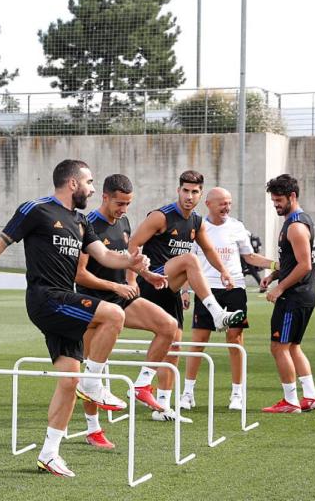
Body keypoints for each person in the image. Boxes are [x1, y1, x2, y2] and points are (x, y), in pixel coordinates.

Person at [0, 159, 151, 478]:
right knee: (113, 314)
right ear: (72, 183)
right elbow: (0, 243)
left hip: (66, 300)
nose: (91, 188)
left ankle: (49, 454)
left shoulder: (80, 221)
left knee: (68, 380)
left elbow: (104, 256)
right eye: (89, 182)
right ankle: (94, 382)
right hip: (46, 298)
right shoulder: (35, 209)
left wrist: (133, 262)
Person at [127, 170, 244, 423]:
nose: (189, 196)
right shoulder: (161, 216)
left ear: (201, 195)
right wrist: (136, 277)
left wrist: (223, 271)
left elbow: (210, 250)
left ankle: (162, 406)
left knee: (174, 345)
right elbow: (132, 245)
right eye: (185, 191)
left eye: (194, 192)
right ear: (178, 190)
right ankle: (217, 313)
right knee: (190, 259)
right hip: (151, 282)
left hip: (169, 288)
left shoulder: (197, 222)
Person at [74, 174, 175, 450]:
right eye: (120, 203)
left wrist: (147, 275)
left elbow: (128, 259)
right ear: (104, 197)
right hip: (93, 304)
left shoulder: (125, 222)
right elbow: (80, 275)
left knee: (169, 326)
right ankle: (93, 430)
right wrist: (115, 288)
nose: (124, 209)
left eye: (128, 204)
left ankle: (142, 385)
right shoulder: (87, 225)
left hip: (122, 298)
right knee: (93, 372)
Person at [179, 187, 275, 412]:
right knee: (198, 341)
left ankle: (237, 393)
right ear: (209, 204)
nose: (227, 207)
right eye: (222, 203)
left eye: (229, 203)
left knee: (235, 339)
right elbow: (188, 261)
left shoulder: (237, 227)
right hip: (206, 290)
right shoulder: (198, 226)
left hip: (234, 289)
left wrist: (275, 265)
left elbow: (249, 256)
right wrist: (184, 290)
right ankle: (187, 393)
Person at [259, 174, 315, 413]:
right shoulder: (297, 221)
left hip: (295, 296)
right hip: (303, 294)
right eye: (273, 200)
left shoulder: (295, 225)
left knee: (279, 346)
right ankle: (311, 396)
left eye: (278, 200)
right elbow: (292, 261)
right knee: (293, 346)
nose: (275, 204)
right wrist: (273, 276)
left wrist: (280, 287)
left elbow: (305, 264)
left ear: (292, 196)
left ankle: (290, 401)